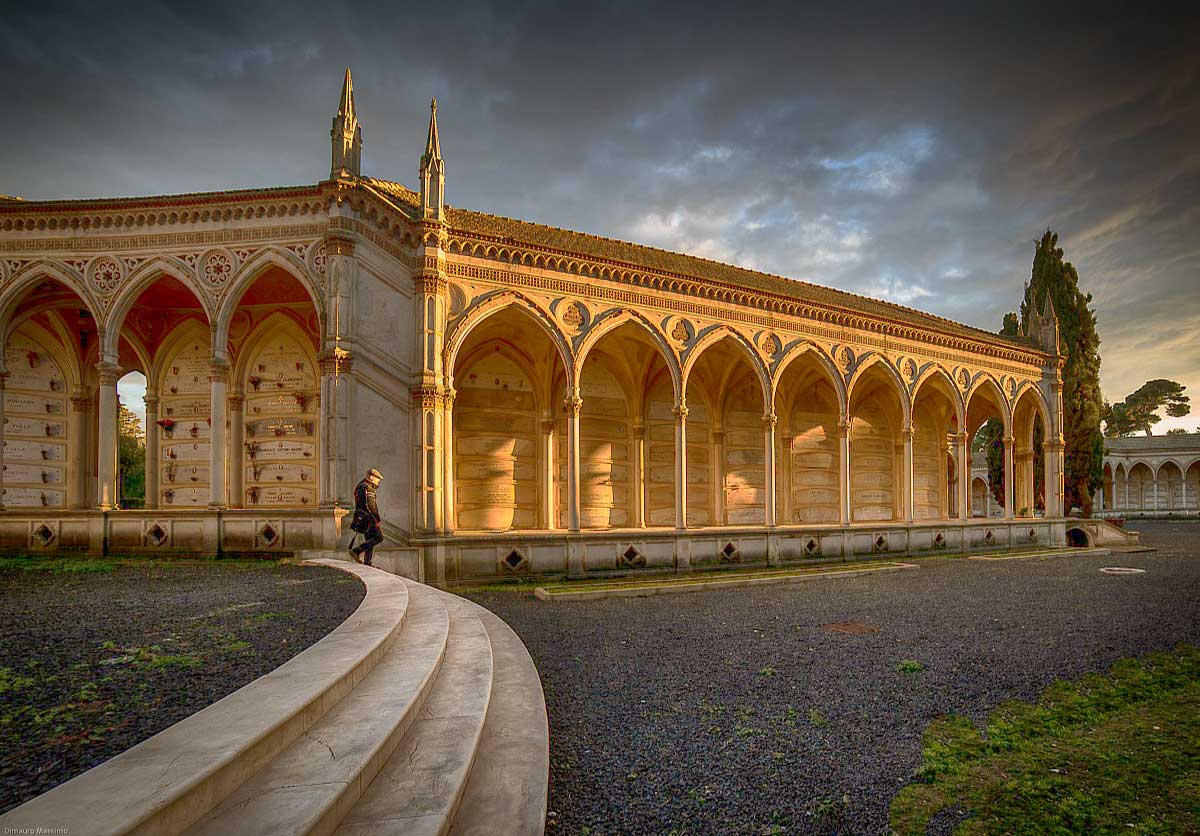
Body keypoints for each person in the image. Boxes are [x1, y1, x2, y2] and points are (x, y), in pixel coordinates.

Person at [350, 468, 384, 566]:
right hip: (369, 518)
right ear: (371, 477)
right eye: (377, 479)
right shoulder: (368, 488)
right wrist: (377, 519)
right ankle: (357, 551)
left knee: (370, 539)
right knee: (378, 538)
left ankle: (367, 562)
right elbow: (371, 506)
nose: (378, 482)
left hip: (362, 518)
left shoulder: (360, 486)